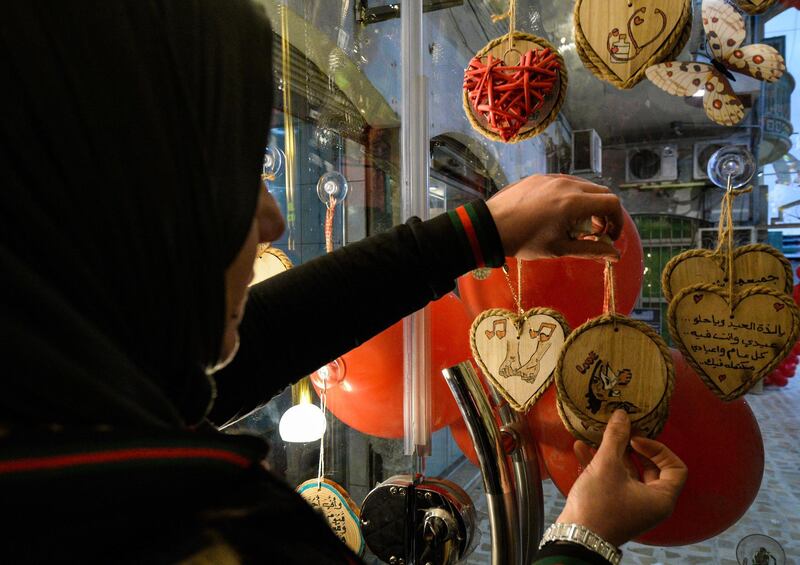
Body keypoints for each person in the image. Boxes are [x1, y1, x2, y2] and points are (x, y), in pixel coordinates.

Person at [0, 1, 686, 563]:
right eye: (236, 178)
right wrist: (585, 537)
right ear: (131, 203)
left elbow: (252, 349)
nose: (270, 220)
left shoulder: (58, 419)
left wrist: (481, 232)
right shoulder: (200, 528)